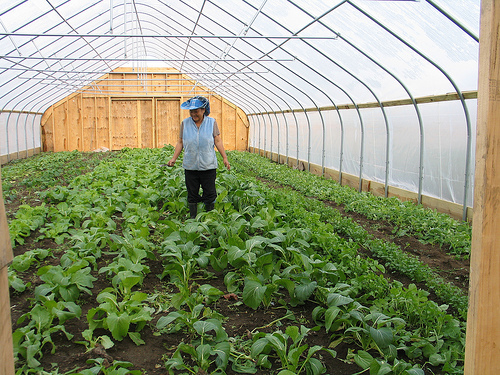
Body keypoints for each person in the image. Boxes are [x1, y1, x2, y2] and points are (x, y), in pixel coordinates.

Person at [167, 96, 230, 218]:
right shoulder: (185, 123)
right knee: (192, 193)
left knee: (210, 193)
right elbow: (180, 142)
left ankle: (209, 218)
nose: (193, 114)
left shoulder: (211, 122)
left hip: (208, 165)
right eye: (191, 111)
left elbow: (217, 140)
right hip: (190, 165)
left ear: (203, 110)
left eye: (196, 111)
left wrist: (225, 157)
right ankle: (193, 219)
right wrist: (173, 158)